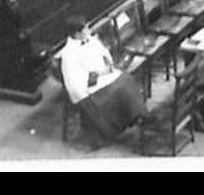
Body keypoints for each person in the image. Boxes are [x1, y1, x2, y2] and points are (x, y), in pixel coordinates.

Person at [58, 15, 146, 148]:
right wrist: (99, 74)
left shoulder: (90, 39)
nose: (89, 31)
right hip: (90, 90)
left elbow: (103, 53)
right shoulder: (69, 54)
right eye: (86, 29)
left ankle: (140, 116)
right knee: (120, 91)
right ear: (77, 34)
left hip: (105, 76)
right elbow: (75, 83)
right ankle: (128, 122)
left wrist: (108, 62)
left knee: (126, 79)